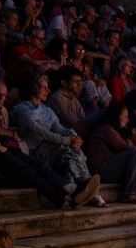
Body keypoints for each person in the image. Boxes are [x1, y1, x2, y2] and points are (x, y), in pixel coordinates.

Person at [0, 75, 99, 210]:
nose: (2, 99)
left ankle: (73, 188)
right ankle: (72, 192)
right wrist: (65, 141)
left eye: (4, 95)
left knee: (58, 157)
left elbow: (56, 127)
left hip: (5, 148)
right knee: (36, 166)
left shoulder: (6, 111)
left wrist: (71, 136)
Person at [12, 74, 105, 207]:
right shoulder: (22, 110)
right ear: (33, 89)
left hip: (55, 150)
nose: (48, 91)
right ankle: (89, 189)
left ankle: (80, 193)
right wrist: (65, 141)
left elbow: (59, 128)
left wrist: (72, 136)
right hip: (36, 153)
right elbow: (40, 131)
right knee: (67, 149)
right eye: (44, 88)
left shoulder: (47, 110)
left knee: (70, 154)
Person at [84, 103, 136, 204]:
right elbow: (124, 148)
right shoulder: (106, 130)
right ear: (116, 117)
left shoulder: (115, 131)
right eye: (125, 116)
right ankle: (129, 193)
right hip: (98, 171)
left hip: (110, 168)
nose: (128, 120)